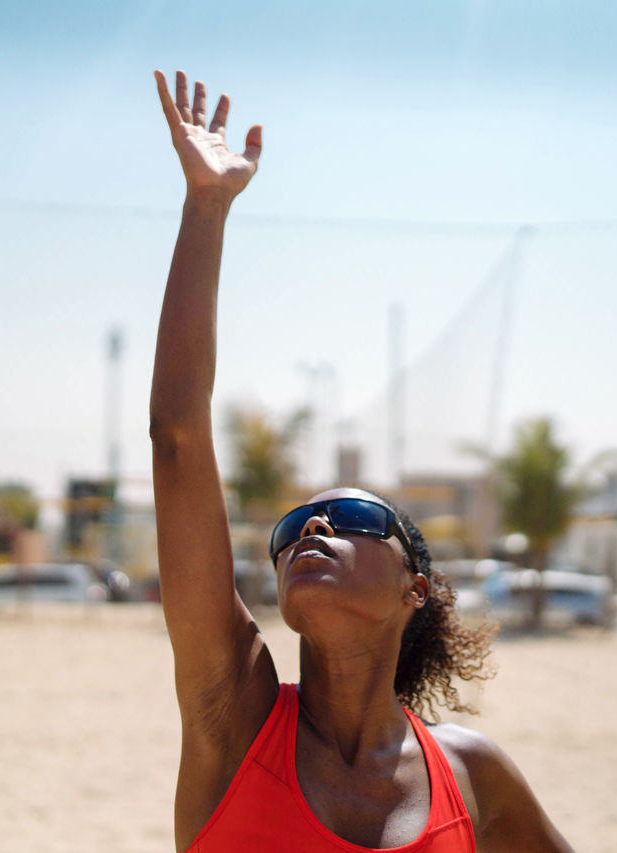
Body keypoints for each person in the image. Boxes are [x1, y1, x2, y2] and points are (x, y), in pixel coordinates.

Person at [150, 69, 572, 853]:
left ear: (416, 587)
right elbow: (177, 437)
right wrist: (205, 206)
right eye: (291, 528)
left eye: (352, 518)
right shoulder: (232, 721)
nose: (311, 524)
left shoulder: (472, 776)